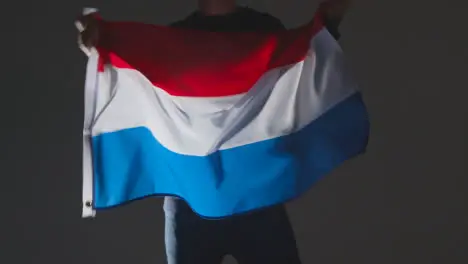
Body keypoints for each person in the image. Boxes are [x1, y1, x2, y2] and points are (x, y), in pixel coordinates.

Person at [77, 0, 351, 263]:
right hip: (190, 201)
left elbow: (302, 64)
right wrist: (102, 44)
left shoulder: (263, 28)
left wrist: (327, 22)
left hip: (256, 200)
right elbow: (133, 79)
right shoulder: (174, 37)